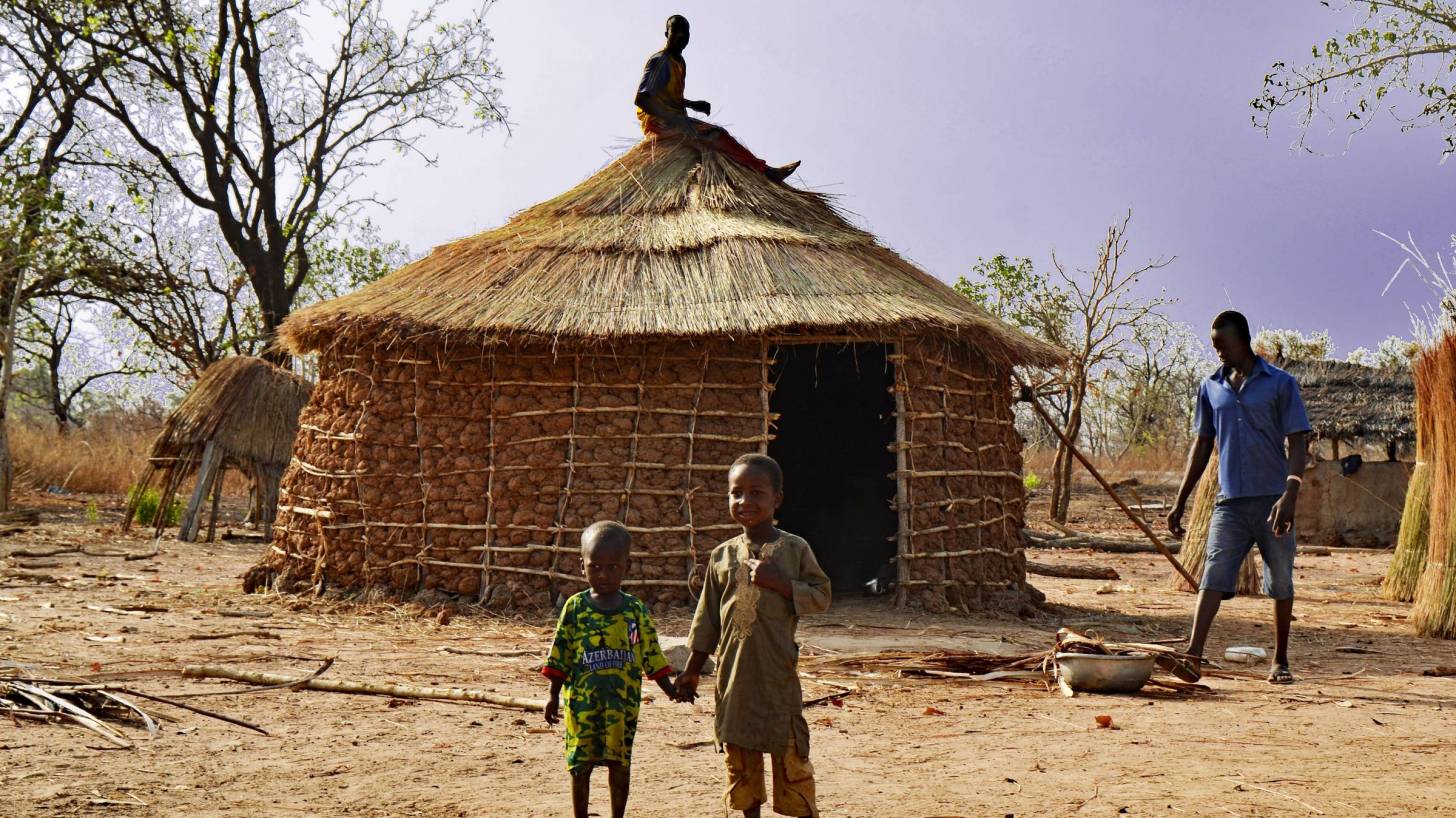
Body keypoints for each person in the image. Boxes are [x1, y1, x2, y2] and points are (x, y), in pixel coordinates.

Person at [676, 453, 831, 818]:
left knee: (791, 758)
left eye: (756, 493)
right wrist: (692, 669)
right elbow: (707, 620)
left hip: (777, 676)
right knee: (741, 765)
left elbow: (822, 595)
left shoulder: (794, 549)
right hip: (734, 680)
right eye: (736, 493)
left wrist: (781, 583)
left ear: (776, 498)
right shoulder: (721, 556)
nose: (745, 502)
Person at [1165, 310, 1311, 685]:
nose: (1218, 353)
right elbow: (1202, 444)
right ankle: (1193, 657)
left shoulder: (1280, 384)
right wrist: (1181, 499)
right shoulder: (1210, 387)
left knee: (1280, 580)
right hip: (1229, 504)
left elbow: (1298, 439)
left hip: (1273, 502)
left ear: (1243, 341)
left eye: (1223, 345)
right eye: (1214, 346)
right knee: (1212, 576)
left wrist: (1290, 492)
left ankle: (1280, 660)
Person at [542, 521, 685, 818]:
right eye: (595, 567)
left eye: (612, 567)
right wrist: (553, 696)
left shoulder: (634, 610)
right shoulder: (576, 608)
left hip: (622, 706)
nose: (603, 575)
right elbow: (561, 654)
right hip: (581, 705)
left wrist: (671, 690)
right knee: (579, 763)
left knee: (620, 763)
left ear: (627, 566)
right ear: (582, 566)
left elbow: (651, 654)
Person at [635, 15, 801, 183]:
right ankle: (764, 170)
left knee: (709, 146)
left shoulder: (680, 62)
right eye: (676, 31)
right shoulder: (661, 61)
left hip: (673, 120)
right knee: (717, 135)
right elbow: (642, 99)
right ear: (666, 34)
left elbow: (665, 97)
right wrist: (677, 120)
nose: (681, 36)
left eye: (685, 32)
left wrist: (692, 104)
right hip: (659, 124)